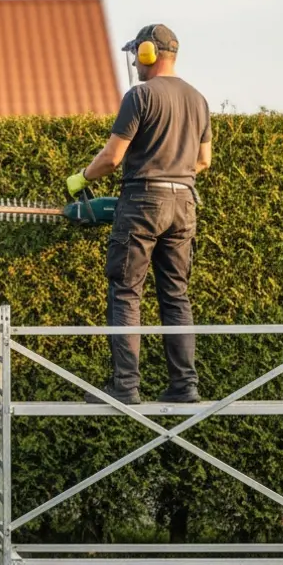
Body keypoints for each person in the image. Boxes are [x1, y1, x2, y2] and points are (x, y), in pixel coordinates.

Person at [66, 24, 212, 405]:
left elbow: (113, 157)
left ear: (148, 53)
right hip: (185, 202)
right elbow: (204, 161)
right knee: (175, 294)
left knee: (127, 291)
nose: (134, 60)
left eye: (136, 54)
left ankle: (125, 387)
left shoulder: (140, 96)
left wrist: (80, 178)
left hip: (143, 200)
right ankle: (184, 386)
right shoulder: (198, 100)